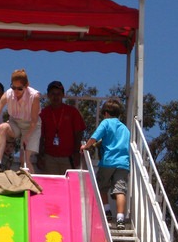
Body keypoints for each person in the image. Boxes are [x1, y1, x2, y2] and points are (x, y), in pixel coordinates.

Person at [0, 69, 41, 174]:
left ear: (26, 86)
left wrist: (26, 137)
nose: (16, 91)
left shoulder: (34, 96)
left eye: (19, 88)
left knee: (24, 160)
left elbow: (34, 120)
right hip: (15, 123)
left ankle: (33, 185)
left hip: (31, 126)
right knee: (2, 127)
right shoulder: (8, 94)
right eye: (13, 87)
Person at [80, 98, 130, 229]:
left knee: (101, 186)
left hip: (108, 162)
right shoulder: (125, 128)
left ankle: (107, 211)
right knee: (120, 191)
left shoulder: (106, 122)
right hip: (123, 163)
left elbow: (95, 136)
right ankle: (120, 219)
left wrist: (87, 146)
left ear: (106, 113)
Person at [37, 81, 86, 175]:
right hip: (49, 157)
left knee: (69, 185)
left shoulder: (72, 111)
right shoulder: (43, 113)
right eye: (52, 94)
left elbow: (79, 132)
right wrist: (40, 157)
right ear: (48, 95)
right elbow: (40, 136)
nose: (55, 97)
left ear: (63, 95)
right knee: (52, 185)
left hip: (69, 157)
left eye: (58, 94)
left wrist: (76, 153)